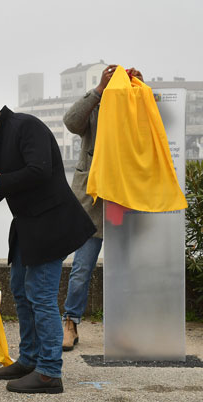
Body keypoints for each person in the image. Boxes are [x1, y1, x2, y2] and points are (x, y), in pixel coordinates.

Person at [0, 98, 96, 394]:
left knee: (41, 296)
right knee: (20, 289)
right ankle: (29, 359)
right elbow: (2, 187)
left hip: (50, 224)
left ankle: (48, 372)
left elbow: (39, 171)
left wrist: (0, 178)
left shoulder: (26, 127)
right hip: (27, 226)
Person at [61, 65, 144, 351]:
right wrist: (98, 90)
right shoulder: (94, 112)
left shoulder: (134, 112)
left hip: (123, 200)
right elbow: (70, 121)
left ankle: (119, 328)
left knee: (123, 269)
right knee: (82, 268)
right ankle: (70, 323)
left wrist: (140, 91)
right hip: (91, 203)